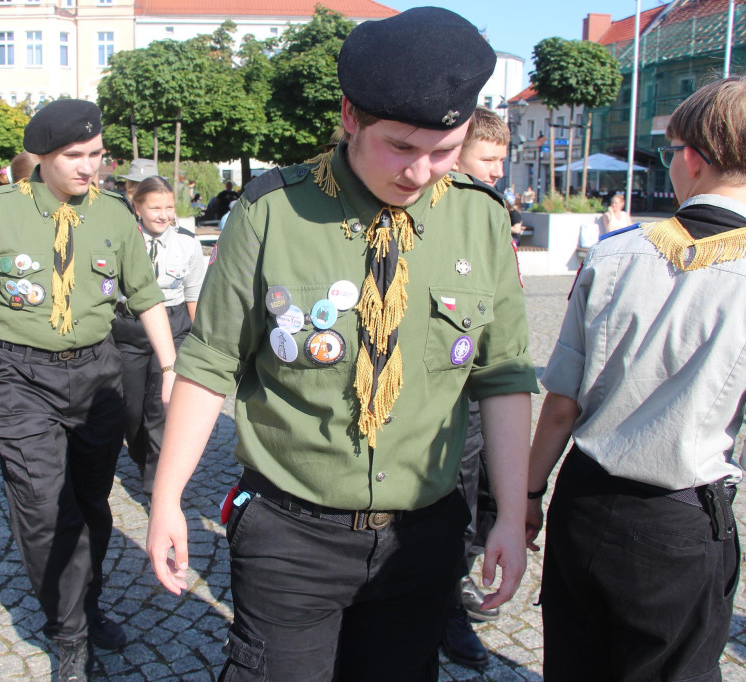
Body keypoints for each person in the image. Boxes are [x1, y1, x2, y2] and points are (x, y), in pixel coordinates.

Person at [146, 8, 538, 680]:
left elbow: (501, 376)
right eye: (401, 147)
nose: (420, 173)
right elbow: (209, 362)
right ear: (352, 117)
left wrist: (509, 513)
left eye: (444, 152)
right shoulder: (272, 211)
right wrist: (165, 498)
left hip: (421, 540)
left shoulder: (478, 217)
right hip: (288, 536)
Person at [0, 99, 178, 681]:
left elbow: (146, 294)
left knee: (90, 503)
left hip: (96, 375)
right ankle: (69, 632)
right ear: (43, 157)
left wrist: (172, 366)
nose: (91, 168)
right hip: (17, 377)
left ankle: (88, 600)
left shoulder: (111, 214)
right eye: (76, 157)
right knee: (41, 508)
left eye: (98, 156)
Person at [526, 76, 746, 681]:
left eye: (672, 151)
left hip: (584, 498)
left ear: (695, 158)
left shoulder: (614, 254)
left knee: (574, 662)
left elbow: (562, 405)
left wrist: (526, 496)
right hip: (678, 518)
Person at [440, 104, 512, 670]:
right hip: (444, 396)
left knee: (483, 492)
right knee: (453, 500)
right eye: (486, 159)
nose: (496, 171)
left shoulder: (489, 211)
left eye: (500, 161)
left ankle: (453, 585)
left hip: (483, 385)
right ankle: (444, 607)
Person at [113, 176, 206, 495]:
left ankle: (158, 484)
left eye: (169, 206)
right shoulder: (120, 241)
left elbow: (193, 293)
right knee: (131, 407)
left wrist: (199, 337)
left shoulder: (187, 242)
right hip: (130, 327)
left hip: (174, 322)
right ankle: (140, 454)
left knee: (160, 403)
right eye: (155, 207)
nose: (164, 214)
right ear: (137, 207)